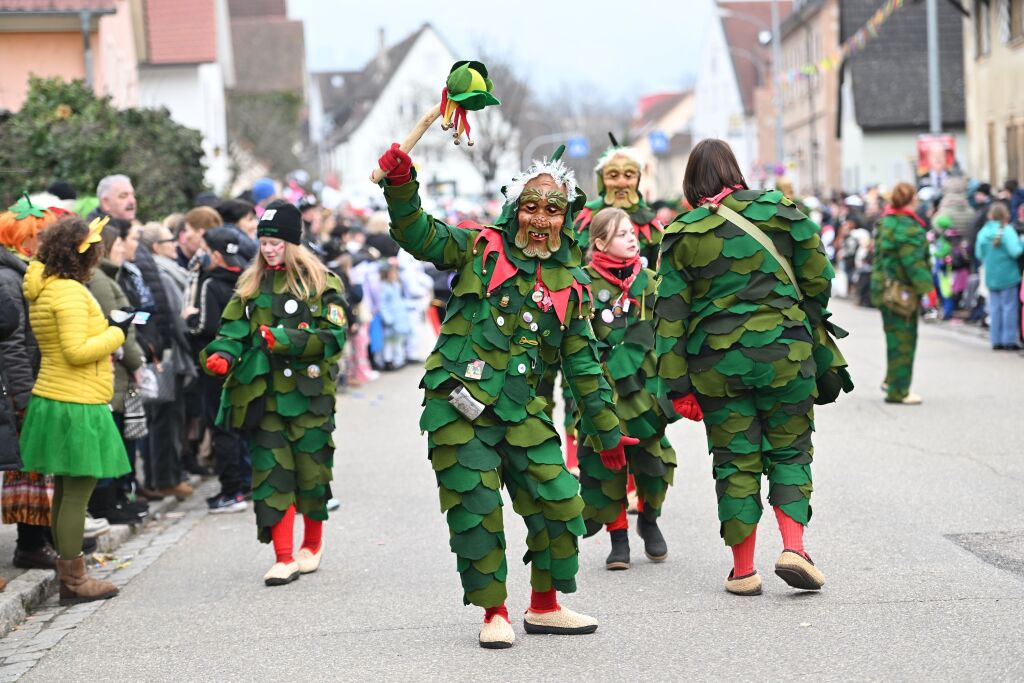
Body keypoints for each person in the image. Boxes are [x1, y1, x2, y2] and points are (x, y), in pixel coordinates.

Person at [376, 141, 636, 649]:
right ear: (516, 210)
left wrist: (606, 433)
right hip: (456, 402)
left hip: (520, 407)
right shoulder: (478, 248)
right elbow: (419, 233)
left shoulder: (571, 283)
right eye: (532, 207)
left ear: (566, 219)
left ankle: (545, 606)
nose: (541, 219)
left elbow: (584, 364)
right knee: (478, 508)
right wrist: (402, 185)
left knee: (560, 500)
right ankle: (493, 612)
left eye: (553, 210)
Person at [655, 138, 837, 596]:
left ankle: (743, 571)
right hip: (786, 356)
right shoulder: (783, 211)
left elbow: (670, 318)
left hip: (717, 367)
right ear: (735, 170)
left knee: (735, 463)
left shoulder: (682, 233)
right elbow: (818, 280)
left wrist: (677, 386)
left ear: (691, 181)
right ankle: (794, 548)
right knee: (790, 452)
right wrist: (795, 321)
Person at [200, 201, 347, 586]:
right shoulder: (249, 286)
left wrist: (282, 339)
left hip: (310, 396)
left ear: (292, 243)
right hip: (264, 397)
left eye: (275, 242)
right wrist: (221, 355)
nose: (268, 249)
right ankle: (283, 556)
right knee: (271, 474)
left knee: (312, 473)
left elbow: (334, 337)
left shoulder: (322, 283)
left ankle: (311, 544)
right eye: (263, 242)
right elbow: (231, 330)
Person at [19, 215, 132, 604]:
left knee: (66, 492)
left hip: (58, 395)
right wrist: (118, 330)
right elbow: (77, 350)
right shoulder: (67, 292)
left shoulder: (48, 287)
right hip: (75, 401)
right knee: (75, 494)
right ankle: (74, 580)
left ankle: (72, 575)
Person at [576, 208, 676, 570]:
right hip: (601, 387)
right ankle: (618, 537)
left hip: (645, 388)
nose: (632, 237)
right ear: (600, 242)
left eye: (632, 231)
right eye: (621, 234)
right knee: (604, 466)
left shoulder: (649, 281)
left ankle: (648, 520)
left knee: (654, 462)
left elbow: (668, 332)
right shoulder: (583, 283)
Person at [0, 198, 61, 569]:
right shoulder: (9, 278)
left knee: (39, 467)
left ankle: (42, 539)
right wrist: (24, 397)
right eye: (40, 236)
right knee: (31, 468)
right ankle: (31, 543)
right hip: (23, 389)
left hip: (33, 384)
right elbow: (13, 345)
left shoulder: (23, 271)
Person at [186, 227, 255, 512]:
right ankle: (248, 481)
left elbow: (207, 326)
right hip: (244, 360)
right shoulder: (247, 278)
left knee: (222, 425)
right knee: (243, 424)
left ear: (215, 255)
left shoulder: (210, 284)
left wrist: (188, 321)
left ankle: (231, 490)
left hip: (217, 363)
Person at [85, 223, 149, 524]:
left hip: (120, 371)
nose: (124, 248)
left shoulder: (107, 276)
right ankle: (107, 503)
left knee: (122, 438)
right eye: (119, 243)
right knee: (113, 440)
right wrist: (137, 363)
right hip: (116, 372)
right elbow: (118, 326)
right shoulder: (100, 280)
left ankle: (118, 498)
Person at [870, 182, 935, 404]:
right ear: (911, 200)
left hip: (884, 290)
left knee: (893, 338)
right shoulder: (908, 227)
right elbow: (913, 264)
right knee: (904, 341)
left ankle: (892, 380)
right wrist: (928, 291)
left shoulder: (885, 221)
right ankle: (899, 390)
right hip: (901, 293)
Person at [574, 135, 664, 269]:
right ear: (602, 180)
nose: (622, 183)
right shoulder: (585, 219)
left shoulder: (651, 223)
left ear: (638, 179)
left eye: (628, 175)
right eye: (613, 175)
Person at [975, 203, 1022, 350]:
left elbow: (979, 254)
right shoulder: (1007, 231)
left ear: (990, 215)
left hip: (991, 275)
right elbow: (1016, 251)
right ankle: (1009, 340)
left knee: (994, 309)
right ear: (1005, 215)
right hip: (1009, 275)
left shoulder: (983, 232)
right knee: (1009, 308)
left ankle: (995, 340)